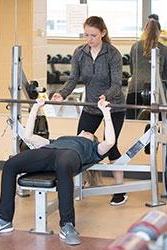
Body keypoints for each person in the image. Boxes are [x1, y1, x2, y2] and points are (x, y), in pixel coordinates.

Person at [0, 99, 115, 245]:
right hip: (48, 151)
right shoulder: (57, 140)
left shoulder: (93, 148)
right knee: (10, 165)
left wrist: (106, 113)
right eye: (84, 131)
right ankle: (4, 220)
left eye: (89, 133)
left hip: (70, 155)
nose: (85, 131)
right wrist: (36, 107)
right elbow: (28, 137)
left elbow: (110, 142)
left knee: (63, 167)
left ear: (93, 139)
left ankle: (67, 225)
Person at [51, 16, 127, 206]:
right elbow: (73, 79)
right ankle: (80, 182)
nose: (89, 39)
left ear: (103, 33)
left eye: (93, 35)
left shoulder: (112, 54)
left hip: (113, 106)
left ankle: (119, 190)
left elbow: (117, 83)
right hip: (91, 106)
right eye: (86, 35)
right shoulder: (80, 52)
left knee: (111, 145)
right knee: (80, 143)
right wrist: (61, 94)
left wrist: (106, 97)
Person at [126, 18, 167, 119]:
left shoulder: (135, 46)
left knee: (133, 123)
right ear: (159, 32)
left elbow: (132, 70)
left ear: (144, 31)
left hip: (135, 89)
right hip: (156, 92)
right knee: (157, 123)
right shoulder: (163, 49)